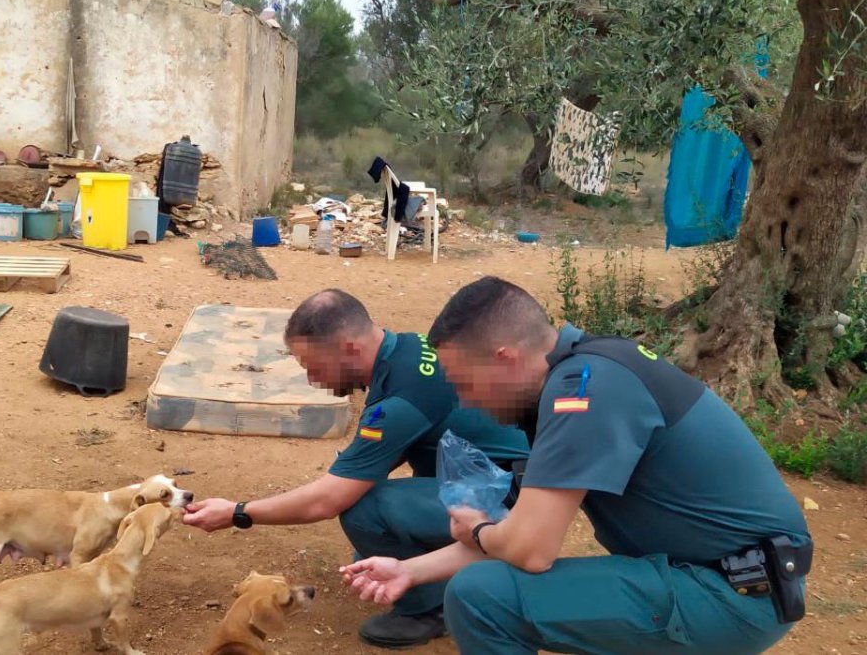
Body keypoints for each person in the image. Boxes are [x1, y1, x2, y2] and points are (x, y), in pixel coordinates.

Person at [342, 276, 813, 655]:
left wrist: (480, 531)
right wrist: (411, 571)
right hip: (725, 581)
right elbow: (515, 536)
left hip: (729, 595)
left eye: (464, 383)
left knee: (480, 596)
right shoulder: (580, 375)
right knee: (488, 581)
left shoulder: (581, 390)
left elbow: (528, 549)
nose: (465, 401)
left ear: (504, 358)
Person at [184, 288, 529, 649]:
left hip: (507, 498)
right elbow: (378, 455)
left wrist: (239, 513)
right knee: (367, 546)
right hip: (490, 475)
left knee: (363, 511)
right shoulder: (408, 349)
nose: (312, 379)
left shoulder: (397, 403)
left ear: (349, 347)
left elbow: (327, 501)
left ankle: (428, 610)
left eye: (313, 366)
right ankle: (450, 565)